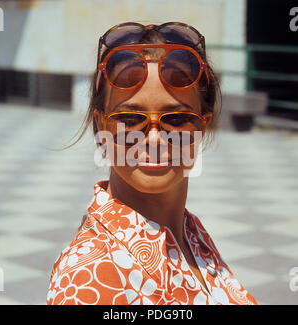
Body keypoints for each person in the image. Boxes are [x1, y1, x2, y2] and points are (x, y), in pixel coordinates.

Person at [46, 22, 257, 305]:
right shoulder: (92, 275)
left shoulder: (190, 234)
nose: (155, 139)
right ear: (102, 124)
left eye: (177, 119)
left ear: (202, 127)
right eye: (130, 119)